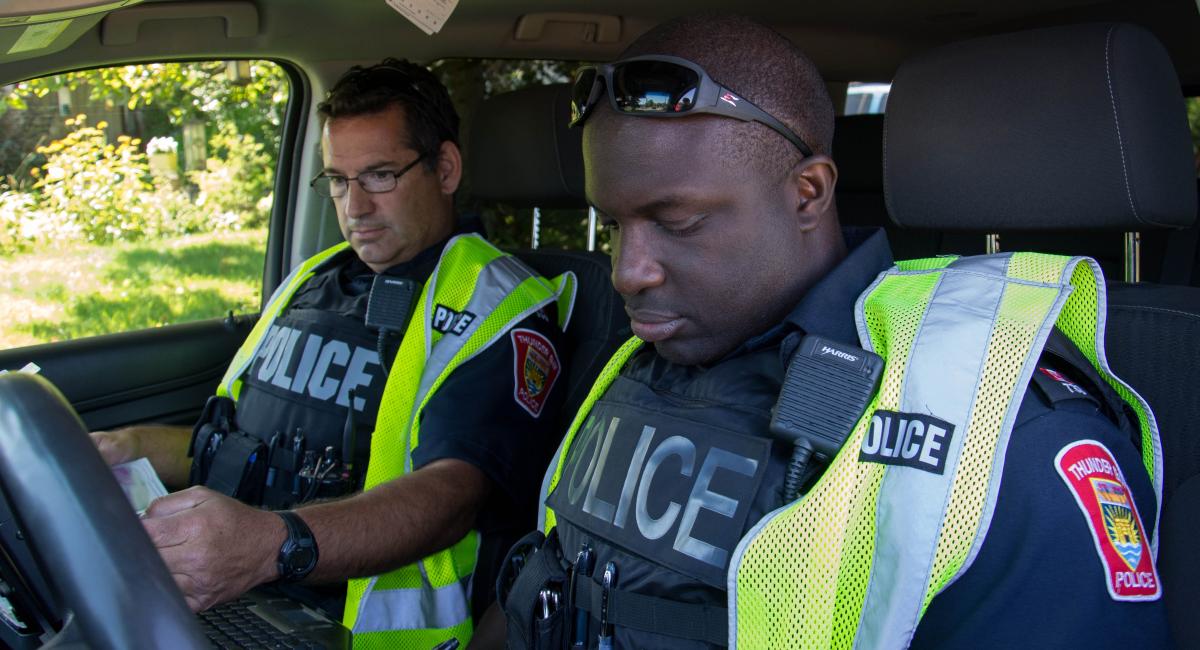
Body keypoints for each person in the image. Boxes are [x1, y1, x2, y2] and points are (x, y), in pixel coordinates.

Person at [493, 14, 1169, 649]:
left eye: (677, 222)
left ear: (808, 193)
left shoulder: (991, 425)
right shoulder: (638, 362)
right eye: (612, 227)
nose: (626, 271)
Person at [93, 58, 575, 648]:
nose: (355, 209)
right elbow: (240, 447)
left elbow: (451, 496)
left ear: (444, 169)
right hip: (241, 599)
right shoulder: (311, 281)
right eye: (339, 182)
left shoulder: (496, 305)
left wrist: (274, 545)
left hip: (349, 631)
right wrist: (131, 447)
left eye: (378, 177)